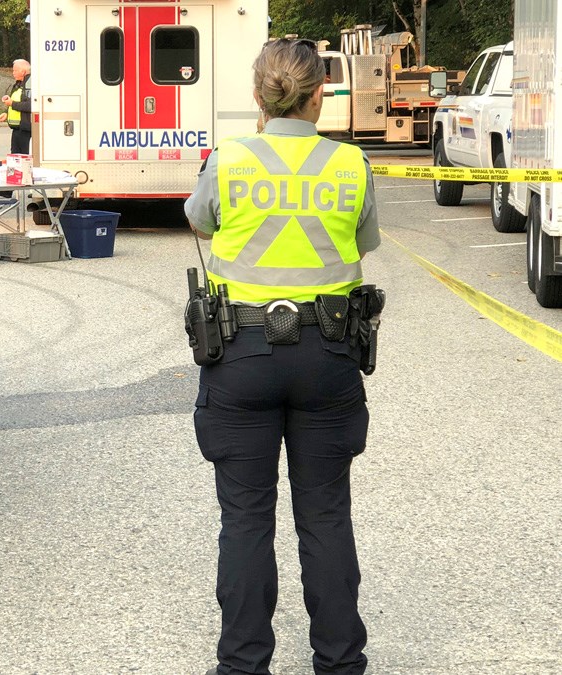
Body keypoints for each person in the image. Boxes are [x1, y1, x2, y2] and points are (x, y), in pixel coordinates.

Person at [184, 39, 381, 675]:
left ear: (256, 96)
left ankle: (243, 664)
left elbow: (200, 221)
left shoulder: (231, 160)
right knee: (325, 513)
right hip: (328, 354)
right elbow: (364, 239)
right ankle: (341, 662)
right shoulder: (351, 164)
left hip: (241, 353)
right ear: (321, 93)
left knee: (245, 517)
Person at [0, 59, 32, 154]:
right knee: (14, 157)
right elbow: (17, 101)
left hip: (26, 130)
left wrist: (12, 103)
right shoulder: (18, 84)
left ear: (23, 71)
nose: (13, 73)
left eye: (15, 70)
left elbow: (31, 105)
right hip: (16, 130)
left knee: (26, 158)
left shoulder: (30, 85)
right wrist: (7, 113)